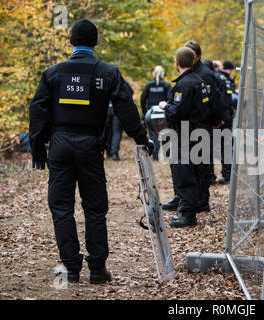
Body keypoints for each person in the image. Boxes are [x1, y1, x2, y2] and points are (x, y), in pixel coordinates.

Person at [29, 19, 154, 284]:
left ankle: (71, 268)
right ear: (95, 43)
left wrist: (38, 148)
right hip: (90, 146)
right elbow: (125, 108)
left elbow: (38, 109)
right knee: (95, 208)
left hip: (60, 146)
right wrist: (142, 138)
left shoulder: (53, 72)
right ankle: (97, 269)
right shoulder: (107, 72)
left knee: (61, 207)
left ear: (72, 42)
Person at [158, 47, 210, 228]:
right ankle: (185, 205)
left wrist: (165, 106)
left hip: (186, 134)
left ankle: (188, 215)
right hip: (197, 131)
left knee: (184, 172)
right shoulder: (199, 80)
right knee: (194, 171)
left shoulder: (185, 84)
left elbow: (178, 111)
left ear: (177, 63)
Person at [140, 66, 172, 160]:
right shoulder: (166, 85)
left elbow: (142, 99)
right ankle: (166, 155)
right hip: (163, 114)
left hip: (151, 113)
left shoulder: (149, 85)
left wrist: (145, 112)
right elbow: (170, 99)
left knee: (153, 134)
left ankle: (155, 155)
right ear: (162, 73)